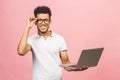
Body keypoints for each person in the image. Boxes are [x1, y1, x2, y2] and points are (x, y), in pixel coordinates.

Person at [17, 6, 88, 80]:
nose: (43, 23)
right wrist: (28, 27)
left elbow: (66, 64)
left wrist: (78, 67)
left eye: (46, 20)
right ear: (35, 22)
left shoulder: (60, 39)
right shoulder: (31, 40)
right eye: (40, 20)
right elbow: (21, 52)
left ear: (50, 21)